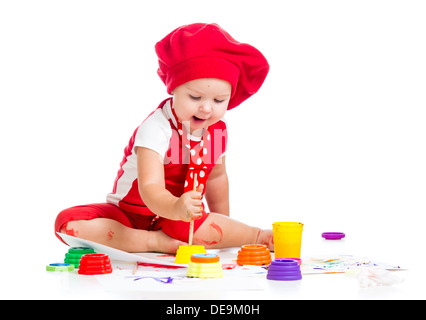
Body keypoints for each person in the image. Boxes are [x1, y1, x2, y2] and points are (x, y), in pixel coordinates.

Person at [54, 23, 273, 254]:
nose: (207, 108)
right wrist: (175, 206)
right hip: (129, 216)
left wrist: (222, 224)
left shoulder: (216, 131)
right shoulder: (156, 127)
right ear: (174, 88)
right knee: (68, 223)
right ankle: (152, 242)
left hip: (178, 219)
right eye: (195, 96)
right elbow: (150, 187)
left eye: (219, 101)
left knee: (196, 225)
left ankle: (258, 236)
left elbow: (216, 179)